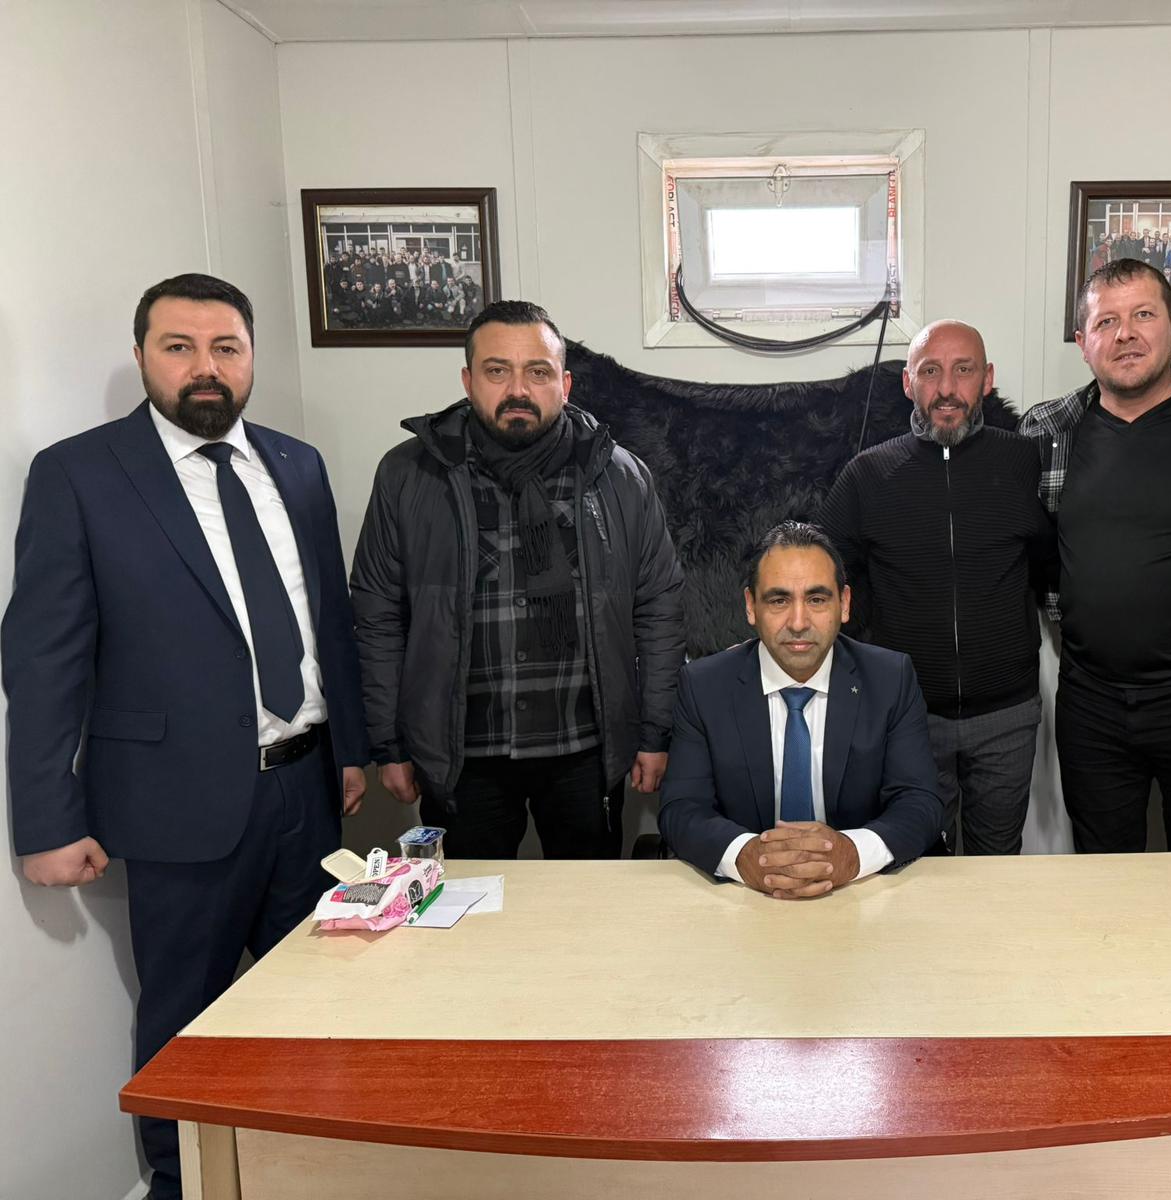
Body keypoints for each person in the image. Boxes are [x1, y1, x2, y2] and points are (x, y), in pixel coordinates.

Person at [2, 273, 369, 1200]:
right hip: (176, 805)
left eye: (226, 348)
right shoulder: (80, 475)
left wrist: (353, 749)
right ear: (142, 356)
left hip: (308, 789)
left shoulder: (297, 464)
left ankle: (307, 1170)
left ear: (250, 358)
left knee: (320, 1001)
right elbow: (42, 661)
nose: (205, 367)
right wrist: (45, 822)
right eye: (179, 347)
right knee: (186, 1018)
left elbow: (329, 619)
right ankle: (182, 1182)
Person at [351, 300, 685, 860]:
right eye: (497, 370)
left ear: (565, 384)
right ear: (468, 380)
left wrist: (655, 732)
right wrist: (389, 743)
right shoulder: (407, 475)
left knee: (589, 904)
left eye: (538, 371)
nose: (518, 390)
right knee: (467, 907)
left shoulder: (620, 476)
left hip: (586, 747)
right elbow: (378, 613)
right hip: (461, 754)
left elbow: (659, 608)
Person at [1018, 258, 1171, 895]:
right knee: (1105, 884)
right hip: (1092, 700)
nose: (1126, 334)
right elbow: (1031, 549)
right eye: (1105, 322)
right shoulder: (1047, 430)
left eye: (1143, 315)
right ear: (1083, 342)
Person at [819, 320, 1054, 856]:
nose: (947, 388)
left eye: (963, 370)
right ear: (909, 383)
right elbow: (825, 578)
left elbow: (1051, 562)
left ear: (987, 379)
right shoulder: (867, 475)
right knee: (916, 865)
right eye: (930, 372)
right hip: (907, 718)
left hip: (1008, 716)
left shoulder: (1025, 463)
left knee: (998, 866)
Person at [657, 522, 942, 895]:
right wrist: (745, 856)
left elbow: (919, 802)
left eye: (817, 599)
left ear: (845, 604)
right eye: (778, 600)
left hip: (861, 896)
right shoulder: (703, 686)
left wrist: (852, 853)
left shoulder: (890, 678)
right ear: (751, 607)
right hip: (745, 901)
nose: (798, 623)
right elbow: (682, 809)